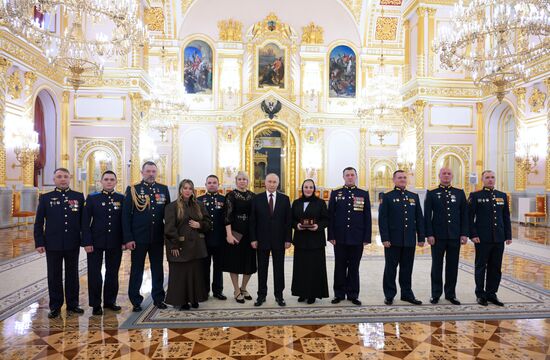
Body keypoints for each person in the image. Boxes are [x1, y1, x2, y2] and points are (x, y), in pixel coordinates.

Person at [34, 168, 85, 318]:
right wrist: (39, 242)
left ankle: (73, 304)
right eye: (59, 177)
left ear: (70, 178)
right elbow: (38, 223)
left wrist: (85, 240)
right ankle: (55, 306)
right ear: (54, 179)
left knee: (72, 274)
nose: (62, 179)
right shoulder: (45, 198)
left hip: (72, 242)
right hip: (52, 243)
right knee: (54, 275)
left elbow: (84, 222)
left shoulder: (78, 196)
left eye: (65, 176)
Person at [122, 161, 171, 312]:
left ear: (157, 173)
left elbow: (168, 215)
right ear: (142, 172)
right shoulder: (133, 189)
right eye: (148, 171)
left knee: (158, 269)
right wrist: (128, 238)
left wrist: (168, 236)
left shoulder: (163, 189)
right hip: (138, 238)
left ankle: (158, 298)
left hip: (157, 237)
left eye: (153, 171)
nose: (151, 174)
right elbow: (126, 216)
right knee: (137, 269)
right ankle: (136, 300)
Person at [379, 170, 425, 305]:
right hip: (392, 240)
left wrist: (421, 237)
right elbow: (383, 219)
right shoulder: (387, 196)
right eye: (399, 177)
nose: (402, 179)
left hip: (409, 239)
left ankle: (406, 294)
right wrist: (385, 238)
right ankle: (389, 294)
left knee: (407, 268)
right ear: (394, 180)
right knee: (390, 269)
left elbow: (419, 218)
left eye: (404, 177)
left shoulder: (414, 196)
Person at [164, 179, 212, 310]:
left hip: (196, 246)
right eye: (185, 188)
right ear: (180, 189)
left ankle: (194, 298)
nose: (187, 191)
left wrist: (200, 225)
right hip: (179, 247)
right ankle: (182, 300)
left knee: (195, 274)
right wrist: (174, 245)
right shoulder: (172, 207)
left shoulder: (199, 205)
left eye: (190, 188)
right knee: (180, 275)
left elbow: (208, 223)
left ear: (193, 191)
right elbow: (169, 228)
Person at [82, 170, 124, 315]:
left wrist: (124, 241)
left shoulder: (121, 198)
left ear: (116, 182)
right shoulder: (93, 198)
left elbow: (124, 222)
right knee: (94, 273)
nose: (109, 182)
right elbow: (85, 222)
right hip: (95, 242)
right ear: (101, 182)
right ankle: (95, 304)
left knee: (112, 273)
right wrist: (86, 242)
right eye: (106, 179)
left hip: (115, 242)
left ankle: (110, 301)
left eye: (112, 179)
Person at [327, 167, 372, 306]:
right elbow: (330, 216)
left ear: (356, 176)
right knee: (339, 266)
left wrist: (366, 237)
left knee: (354, 267)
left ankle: (353, 294)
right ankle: (339, 294)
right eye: (347, 175)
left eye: (352, 175)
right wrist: (331, 235)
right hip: (339, 237)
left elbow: (367, 217)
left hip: (357, 237)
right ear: (343, 177)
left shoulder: (363, 193)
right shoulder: (336, 193)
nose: (350, 177)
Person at [424, 168, 468, 305]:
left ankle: (451, 294)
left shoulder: (459, 193)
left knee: (452, 265)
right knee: (437, 265)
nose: (446, 176)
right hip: (437, 236)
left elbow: (464, 215)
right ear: (439, 176)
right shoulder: (432, 193)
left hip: (455, 235)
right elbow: (427, 216)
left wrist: (464, 233)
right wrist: (429, 234)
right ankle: (435, 293)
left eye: (449, 173)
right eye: (444, 173)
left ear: (452, 176)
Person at [468, 170, 512, 306]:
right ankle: (480, 294)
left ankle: (492, 293)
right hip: (482, 238)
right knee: (481, 266)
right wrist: (473, 234)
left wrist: (508, 235)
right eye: (487, 177)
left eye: (492, 177)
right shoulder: (475, 196)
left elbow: (506, 217)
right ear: (482, 180)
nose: (490, 180)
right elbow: (470, 218)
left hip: (498, 238)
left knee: (496, 267)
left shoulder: (502, 196)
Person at [250, 173, 292, 307]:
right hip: (261, 240)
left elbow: (288, 221)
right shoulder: (257, 199)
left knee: (279, 269)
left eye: (274, 182)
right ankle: (261, 295)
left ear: (278, 183)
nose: (272, 184)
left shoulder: (285, 199)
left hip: (279, 240)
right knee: (262, 269)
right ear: (265, 183)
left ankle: (279, 296)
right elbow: (253, 221)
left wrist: (288, 239)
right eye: (270, 181)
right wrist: (253, 239)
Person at [291, 179, 329, 304]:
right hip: (300, 240)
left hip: (316, 241)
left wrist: (318, 226)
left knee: (314, 268)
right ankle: (301, 292)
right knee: (301, 268)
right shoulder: (296, 203)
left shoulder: (320, 203)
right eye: (306, 187)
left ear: (314, 189)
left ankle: (313, 293)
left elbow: (326, 219)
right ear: (302, 188)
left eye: (311, 187)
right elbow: (291, 219)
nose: (308, 189)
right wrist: (297, 225)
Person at [223, 171, 257, 303]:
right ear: (236, 181)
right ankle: (236, 290)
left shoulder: (253, 196)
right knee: (235, 263)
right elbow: (227, 216)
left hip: (250, 234)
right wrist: (229, 234)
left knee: (249, 263)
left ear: (248, 182)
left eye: (245, 179)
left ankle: (243, 288)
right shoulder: (231, 196)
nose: (242, 181)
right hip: (235, 234)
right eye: (240, 179)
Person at [197, 175, 227, 300]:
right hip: (204, 239)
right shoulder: (199, 200)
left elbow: (227, 219)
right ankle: (204, 291)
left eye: (214, 182)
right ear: (205, 184)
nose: (212, 184)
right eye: (209, 182)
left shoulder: (224, 199)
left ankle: (218, 291)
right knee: (204, 266)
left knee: (218, 266)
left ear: (218, 184)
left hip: (220, 239)